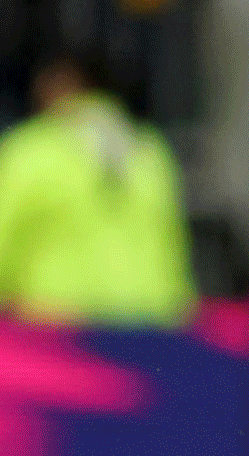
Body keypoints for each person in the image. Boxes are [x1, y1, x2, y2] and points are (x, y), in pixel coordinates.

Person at [0, 51, 196, 327]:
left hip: (60, 328)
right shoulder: (150, 150)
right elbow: (174, 244)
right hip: (154, 320)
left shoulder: (29, 151)